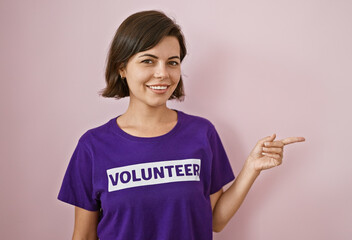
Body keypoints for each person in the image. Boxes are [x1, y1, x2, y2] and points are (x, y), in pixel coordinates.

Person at [58, 10, 305, 240]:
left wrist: (251, 168)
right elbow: (84, 237)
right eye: (148, 61)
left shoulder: (201, 133)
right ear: (122, 68)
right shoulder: (93, 146)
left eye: (172, 62)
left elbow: (215, 221)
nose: (162, 73)